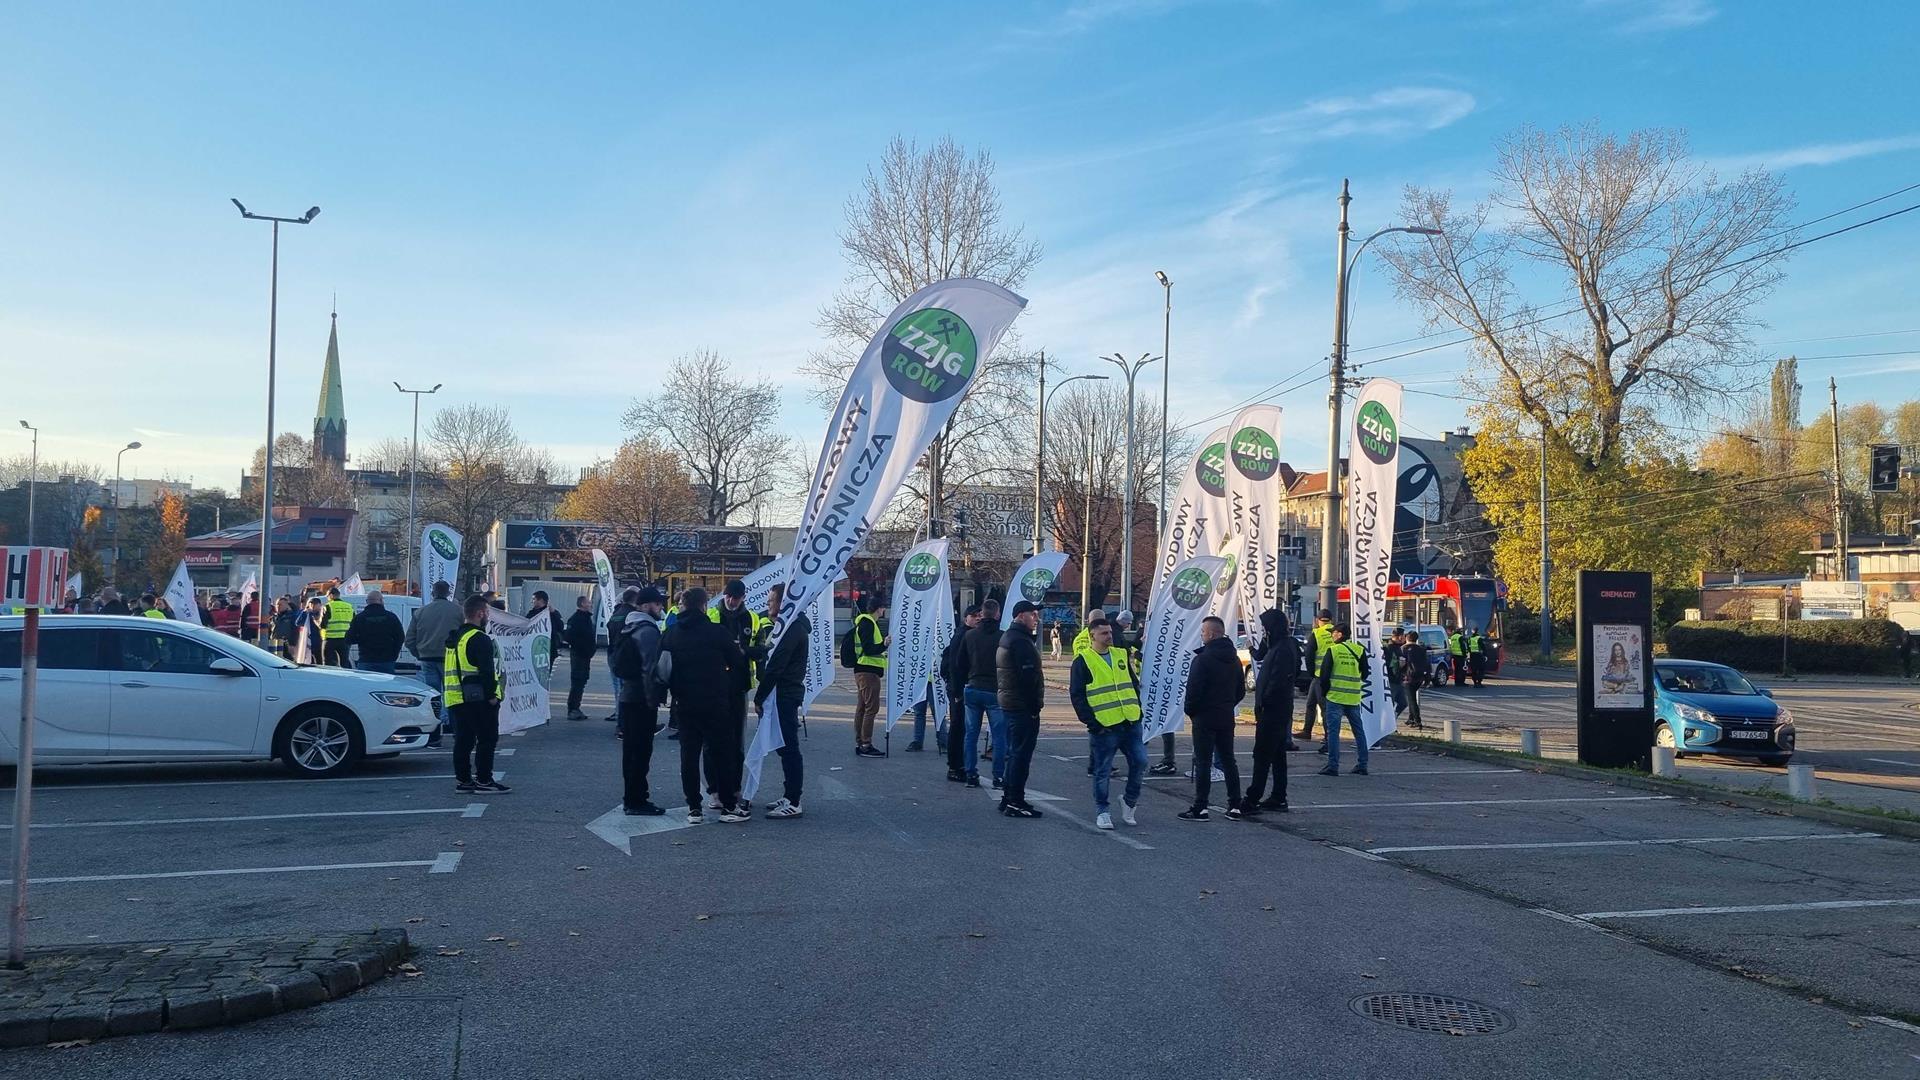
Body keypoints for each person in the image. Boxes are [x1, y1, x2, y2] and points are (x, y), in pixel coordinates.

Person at [662, 587, 747, 823]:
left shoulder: (671, 633)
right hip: (715, 702)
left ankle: (694, 808)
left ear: (682, 605)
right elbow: (737, 661)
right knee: (722, 753)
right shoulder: (717, 633)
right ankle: (729, 806)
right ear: (704, 606)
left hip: (685, 703)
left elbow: (662, 669)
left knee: (688, 755)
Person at [1069, 618, 1145, 829]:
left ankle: (1130, 801)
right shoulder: (1083, 660)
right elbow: (1077, 695)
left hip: (1130, 721)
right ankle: (1102, 810)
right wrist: (1092, 723)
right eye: (1104, 633)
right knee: (1102, 771)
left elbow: (1132, 683)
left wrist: (1138, 709)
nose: (1109, 636)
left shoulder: (1120, 654)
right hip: (1104, 725)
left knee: (1140, 762)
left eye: (1110, 632)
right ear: (1092, 635)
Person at [1179, 616, 1246, 821]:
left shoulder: (1203, 659)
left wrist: (1192, 711)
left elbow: (1193, 691)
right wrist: (1227, 704)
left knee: (1203, 762)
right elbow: (1240, 690)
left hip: (1204, 717)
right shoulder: (1234, 658)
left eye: (1203, 632)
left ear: (1211, 634)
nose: (1201, 635)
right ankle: (1235, 805)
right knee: (1228, 760)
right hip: (1225, 715)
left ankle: (1201, 807)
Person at [444, 594, 511, 794]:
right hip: (478, 698)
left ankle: (464, 781)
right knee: (487, 739)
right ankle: (484, 780)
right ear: (480, 613)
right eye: (487, 612)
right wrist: (492, 695)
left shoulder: (455, 637)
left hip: (456, 697)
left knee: (463, 741)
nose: (488, 616)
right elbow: (486, 670)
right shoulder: (479, 638)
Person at [609, 585, 667, 815]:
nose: (661, 606)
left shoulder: (627, 626)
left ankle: (631, 798)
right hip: (641, 698)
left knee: (631, 751)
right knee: (641, 752)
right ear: (645, 606)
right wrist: (654, 698)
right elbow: (650, 668)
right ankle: (637, 801)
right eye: (657, 603)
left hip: (628, 695)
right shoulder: (647, 630)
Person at [753, 583, 809, 819]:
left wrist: (760, 695)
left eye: (771, 601)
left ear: (783, 603)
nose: (768, 606)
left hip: (785, 694)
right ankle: (789, 794)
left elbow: (776, 666)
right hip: (783, 693)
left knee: (789, 747)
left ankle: (794, 800)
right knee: (784, 746)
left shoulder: (792, 629)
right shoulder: (786, 627)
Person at [1243, 608, 1297, 815]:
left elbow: (1278, 681)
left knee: (1263, 754)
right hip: (1276, 709)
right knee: (1276, 754)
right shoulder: (1280, 645)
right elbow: (1261, 655)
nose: (1264, 631)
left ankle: (1252, 798)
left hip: (1273, 710)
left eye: (1265, 628)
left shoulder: (1283, 649)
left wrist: (1264, 703)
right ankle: (1278, 796)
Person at [995, 599, 1045, 819]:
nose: (1037, 619)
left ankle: (1009, 797)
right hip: (1021, 706)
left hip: (1011, 703)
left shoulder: (1012, 637)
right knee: (1020, 755)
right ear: (1021, 615)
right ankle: (1015, 800)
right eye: (1033, 614)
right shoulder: (1020, 641)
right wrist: (1034, 707)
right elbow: (1028, 678)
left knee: (1015, 753)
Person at [407, 581, 463, 748]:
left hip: (428, 659)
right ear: (448, 592)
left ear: (433, 592)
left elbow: (409, 639)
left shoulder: (421, 612)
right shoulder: (458, 611)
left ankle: (433, 737)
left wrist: (420, 653)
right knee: (453, 697)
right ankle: (457, 732)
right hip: (450, 659)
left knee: (433, 698)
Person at [961, 598, 1006, 787]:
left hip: (973, 687)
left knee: (971, 734)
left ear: (982, 614)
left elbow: (960, 663)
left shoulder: (970, 636)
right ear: (997, 614)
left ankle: (971, 774)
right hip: (995, 690)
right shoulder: (1003, 637)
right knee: (999, 735)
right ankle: (998, 776)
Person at [1317, 624, 1371, 777]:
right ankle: (1363, 765)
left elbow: (1324, 676)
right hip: (1353, 698)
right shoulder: (1359, 650)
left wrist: (1325, 692)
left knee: (1334, 733)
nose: (1332, 635)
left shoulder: (1333, 650)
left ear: (1340, 634)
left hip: (1335, 697)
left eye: (1333, 633)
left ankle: (1333, 766)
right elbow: (1365, 673)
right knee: (1359, 732)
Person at [942, 604, 982, 781]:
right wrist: (957, 690)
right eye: (974, 616)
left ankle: (961, 764)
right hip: (959, 688)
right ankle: (955, 766)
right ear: (966, 618)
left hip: (965, 686)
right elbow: (955, 665)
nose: (977, 619)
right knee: (958, 728)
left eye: (979, 616)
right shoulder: (961, 635)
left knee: (964, 728)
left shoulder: (970, 635)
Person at [849, 596, 888, 757]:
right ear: (879, 608)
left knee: (863, 707)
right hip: (868, 670)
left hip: (863, 669)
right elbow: (869, 648)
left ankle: (861, 741)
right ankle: (866, 744)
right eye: (883, 607)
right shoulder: (868, 623)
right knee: (871, 708)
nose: (884, 610)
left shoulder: (865, 622)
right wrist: (884, 645)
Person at [1295, 610, 1335, 744]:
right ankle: (1307, 731)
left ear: (1318, 620)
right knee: (1311, 703)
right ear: (1331, 620)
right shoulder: (1337, 633)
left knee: (1323, 707)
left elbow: (1309, 656)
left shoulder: (1317, 634)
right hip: (1332, 675)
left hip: (1318, 676)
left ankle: (1328, 736)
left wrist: (1311, 673)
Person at [346, 590, 405, 674]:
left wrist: (362, 639)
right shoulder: (391, 617)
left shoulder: (359, 618)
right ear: (381, 600)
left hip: (366, 659)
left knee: (366, 686)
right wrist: (394, 654)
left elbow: (349, 639)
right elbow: (400, 637)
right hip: (386, 660)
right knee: (386, 686)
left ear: (367, 602)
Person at [606, 588, 637, 732]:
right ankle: (623, 725)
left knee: (618, 690)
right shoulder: (631, 615)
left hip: (613, 654)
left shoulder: (616, 613)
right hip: (624, 656)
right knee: (626, 691)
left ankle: (621, 722)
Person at [564, 595, 598, 720]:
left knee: (582, 681)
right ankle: (572, 709)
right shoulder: (576, 619)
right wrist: (582, 647)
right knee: (577, 682)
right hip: (579, 655)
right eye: (588, 602)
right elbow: (569, 636)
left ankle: (576, 707)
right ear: (583, 604)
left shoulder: (586, 618)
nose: (590, 604)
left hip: (584, 655)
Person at [524, 591, 564, 677]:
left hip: (548, 648)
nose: (532, 601)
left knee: (545, 675)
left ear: (541, 600)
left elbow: (560, 627)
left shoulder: (552, 613)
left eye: (534, 599)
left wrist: (553, 613)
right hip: (533, 648)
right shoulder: (532, 613)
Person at [1399, 626, 1430, 730]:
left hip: (1408, 677)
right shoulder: (1421, 649)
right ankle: (1411, 718)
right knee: (1411, 697)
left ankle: (1417, 720)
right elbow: (1426, 663)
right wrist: (1427, 678)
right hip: (1419, 677)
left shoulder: (1403, 648)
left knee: (1411, 700)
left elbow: (1401, 663)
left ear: (1407, 638)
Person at [321, 586, 354, 667]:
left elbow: (323, 625)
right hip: (345, 639)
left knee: (329, 662)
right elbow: (354, 622)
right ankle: (346, 677)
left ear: (331, 595)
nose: (327, 598)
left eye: (327, 596)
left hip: (331, 639)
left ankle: (331, 678)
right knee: (345, 661)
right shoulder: (349, 606)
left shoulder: (328, 606)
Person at [292, 596, 327, 665]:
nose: (313, 606)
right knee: (310, 661)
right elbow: (298, 623)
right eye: (311, 604)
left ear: (320, 605)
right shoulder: (307, 614)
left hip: (321, 640)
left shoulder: (323, 613)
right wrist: (305, 612)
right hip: (310, 641)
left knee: (320, 660)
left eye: (315, 604)